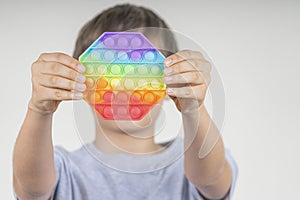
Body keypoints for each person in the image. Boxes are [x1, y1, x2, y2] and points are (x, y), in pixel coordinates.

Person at [13, 4, 237, 200]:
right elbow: (31, 188)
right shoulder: (64, 168)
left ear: (171, 82)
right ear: (82, 82)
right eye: (107, 70)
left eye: (143, 69)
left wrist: (193, 107)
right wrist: (39, 109)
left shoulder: (187, 158)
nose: (125, 86)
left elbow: (211, 178)